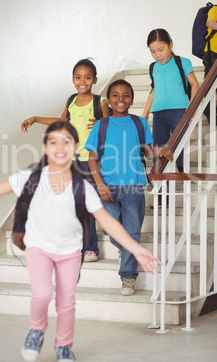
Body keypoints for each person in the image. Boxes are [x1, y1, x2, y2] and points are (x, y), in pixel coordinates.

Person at [0, 121, 162, 362]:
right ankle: (36, 331)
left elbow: (107, 221)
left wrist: (136, 249)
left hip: (70, 253)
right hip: (39, 249)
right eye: (53, 141)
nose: (59, 146)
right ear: (45, 147)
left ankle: (63, 346)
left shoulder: (83, 186)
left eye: (66, 141)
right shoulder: (30, 177)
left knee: (66, 302)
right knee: (42, 295)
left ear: (75, 147)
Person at [84, 80, 173, 296]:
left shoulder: (140, 123)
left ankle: (128, 277)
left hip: (134, 186)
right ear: (109, 100)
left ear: (132, 99)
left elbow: (148, 152)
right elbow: (92, 158)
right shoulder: (101, 125)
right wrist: (99, 184)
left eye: (126, 95)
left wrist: (160, 150)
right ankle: (126, 249)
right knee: (111, 229)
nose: (121, 99)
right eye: (115, 95)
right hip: (107, 186)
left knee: (132, 232)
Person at [21, 59, 110, 263]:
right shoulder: (71, 101)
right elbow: (61, 122)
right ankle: (83, 248)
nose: (82, 81)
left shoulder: (101, 102)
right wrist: (35, 118)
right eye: (78, 77)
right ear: (72, 80)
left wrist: (101, 123)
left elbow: (111, 125)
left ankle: (100, 246)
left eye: (87, 77)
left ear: (94, 80)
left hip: (94, 161)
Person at [142, 28, 199, 173]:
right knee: (159, 150)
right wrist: (145, 113)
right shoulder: (153, 68)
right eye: (152, 52)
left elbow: (194, 84)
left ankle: (183, 174)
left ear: (170, 45)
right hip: (159, 115)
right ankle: (161, 182)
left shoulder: (182, 62)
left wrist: (191, 108)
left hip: (179, 113)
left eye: (160, 49)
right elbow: (154, 90)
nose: (157, 55)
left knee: (180, 147)